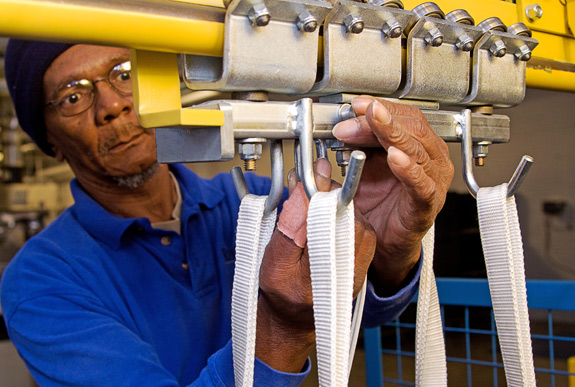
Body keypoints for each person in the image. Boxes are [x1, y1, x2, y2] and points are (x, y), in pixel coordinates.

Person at [0, 40, 454, 386]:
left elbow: (361, 314)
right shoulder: (41, 280)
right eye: (72, 96)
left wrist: (392, 251)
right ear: (50, 139)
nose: (113, 105)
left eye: (123, 73)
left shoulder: (254, 201)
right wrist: (283, 327)